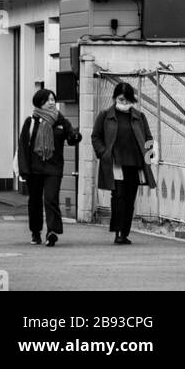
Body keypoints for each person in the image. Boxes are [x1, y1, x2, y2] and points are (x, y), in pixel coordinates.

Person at [91, 82, 157, 245]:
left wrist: (148, 160)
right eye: (121, 99)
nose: (124, 102)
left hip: (135, 164)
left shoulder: (139, 117)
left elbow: (148, 138)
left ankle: (125, 232)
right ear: (114, 98)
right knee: (118, 197)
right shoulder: (105, 115)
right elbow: (96, 136)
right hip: (115, 163)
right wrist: (103, 153)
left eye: (127, 99)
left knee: (129, 199)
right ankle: (118, 232)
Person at [17, 88, 81, 246]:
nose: (52, 102)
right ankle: (35, 231)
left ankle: (52, 231)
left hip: (54, 168)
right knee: (35, 201)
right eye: (48, 100)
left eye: (53, 100)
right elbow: (23, 147)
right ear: (40, 103)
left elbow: (71, 136)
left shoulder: (60, 121)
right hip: (34, 169)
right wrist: (24, 170)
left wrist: (75, 136)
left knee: (51, 198)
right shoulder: (31, 122)